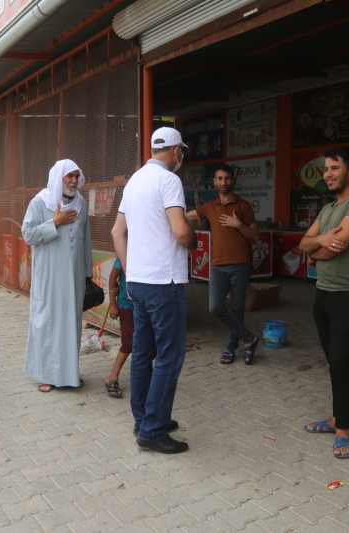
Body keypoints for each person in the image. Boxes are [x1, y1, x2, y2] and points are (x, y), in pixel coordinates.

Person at [111, 126, 197, 454]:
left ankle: (144, 418)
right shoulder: (169, 180)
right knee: (169, 356)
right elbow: (179, 231)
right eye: (182, 153)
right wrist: (192, 237)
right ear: (177, 151)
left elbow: (118, 232)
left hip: (139, 282)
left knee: (143, 353)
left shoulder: (135, 180)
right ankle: (153, 430)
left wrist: (130, 271)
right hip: (165, 281)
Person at [299, 147, 349, 459]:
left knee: (342, 361)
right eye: (325, 169)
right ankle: (336, 418)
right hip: (324, 293)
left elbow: (336, 248)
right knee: (334, 361)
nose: (328, 174)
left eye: (334, 168)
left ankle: (344, 431)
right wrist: (318, 242)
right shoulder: (329, 208)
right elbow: (306, 243)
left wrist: (316, 247)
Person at [22, 159, 92, 393]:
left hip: (73, 280)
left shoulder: (81, 204)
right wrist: (55, 222)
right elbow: (28, 234)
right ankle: (46, 375)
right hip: (49, 278)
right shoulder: (40, 202)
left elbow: (86, 241)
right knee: (48, 324)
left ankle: (69, 374)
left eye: (76, 176)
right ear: (58, 177)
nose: (73, 181)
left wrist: (87, 275)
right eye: (68, 176)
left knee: (71, 326)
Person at [186, 164, 260, 365]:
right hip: (217, 265)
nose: (223, 182)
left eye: (227, 178)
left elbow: (254, 235)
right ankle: (249, 339)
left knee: (237, 308)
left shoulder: (243, 206)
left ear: (232, 180)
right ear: (214, 181)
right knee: (215, 307)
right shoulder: (210, 207)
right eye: (220, 178)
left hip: (240, 264)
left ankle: (230, 346)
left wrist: (239, 225)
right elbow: (186, 216)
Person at [104, 258, 133, 398]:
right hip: (126, 305)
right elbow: (112, 278)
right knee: (128, 344)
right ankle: (113, 376)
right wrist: (113, 304)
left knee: (146, 343)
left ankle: (145, 377)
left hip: (145, 305)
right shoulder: (124, 253)